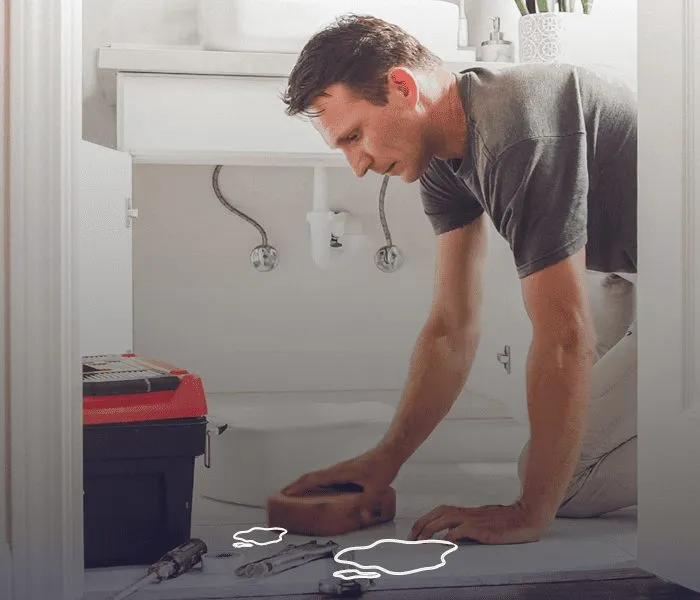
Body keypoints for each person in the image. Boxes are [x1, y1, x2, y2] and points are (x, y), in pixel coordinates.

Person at [279, 14, 638, 545]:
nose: (357, 165)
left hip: (681, 272)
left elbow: (563, 334)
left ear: (402, 86)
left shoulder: (516, 129)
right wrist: (386, 460)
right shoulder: (446, 155)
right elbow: (451, 326)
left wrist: (528, 514)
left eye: (355, 136)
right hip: (638, 267)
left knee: (568, 486)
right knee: (568, 440)